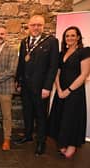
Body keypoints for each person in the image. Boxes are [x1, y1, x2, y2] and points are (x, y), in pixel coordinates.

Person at [14, 15, 59, 156]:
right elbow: (21, 63)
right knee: (27, 112)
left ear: (43, 26)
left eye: (39, 25)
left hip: (41, 87)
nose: (35, 27)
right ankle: (28, 135)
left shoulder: (51, 41)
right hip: (26, 86)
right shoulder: (24, 42)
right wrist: (18, 81)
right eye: (33, 25)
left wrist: (47, 87)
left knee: (40, 115)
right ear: (28, 25)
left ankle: (41, 142)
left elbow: (53, 66)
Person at [48, 26, 90, 158]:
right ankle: (62, 142)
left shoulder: (84, 52)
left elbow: (84, 75)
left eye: (73, 35)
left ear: (78, 37)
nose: (70, 38)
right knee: (61, 117)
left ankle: (72, 145)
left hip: (75, 91)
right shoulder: (61, 54)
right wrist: (59, 89)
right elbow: (57, 72)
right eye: (67, 36)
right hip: (61, 90)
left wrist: (69, 90)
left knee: (72, 118)